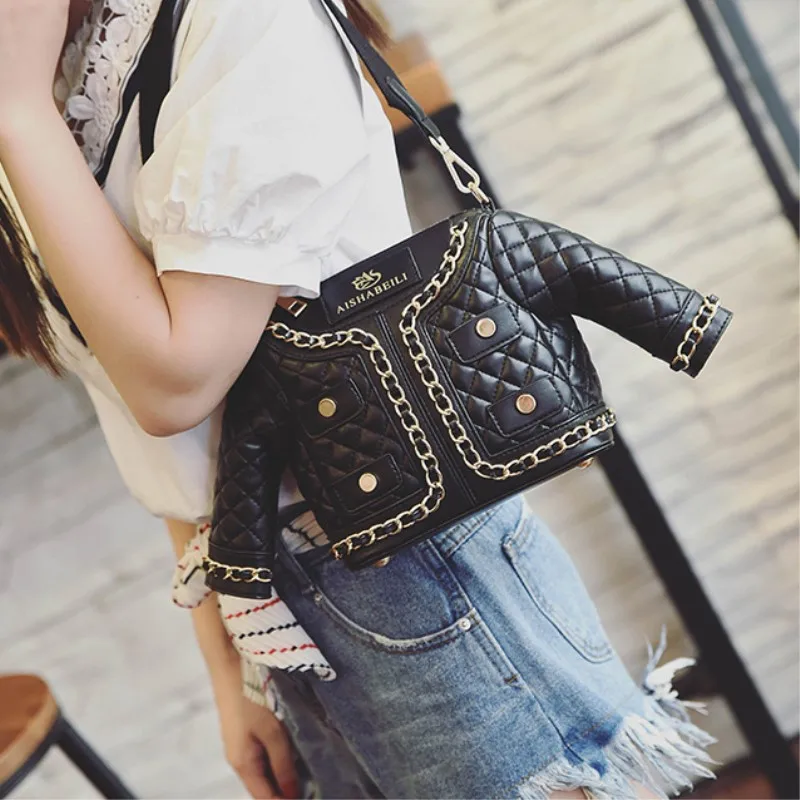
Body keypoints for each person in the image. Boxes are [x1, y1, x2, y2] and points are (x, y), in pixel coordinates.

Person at [0, 1, 716, 797]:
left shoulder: (233, 21)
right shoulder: (52, 62)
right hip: (272, 606)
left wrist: (16, 111)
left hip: (415, 569)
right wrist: (232, 670)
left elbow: (176, 383)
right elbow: (159, 431)